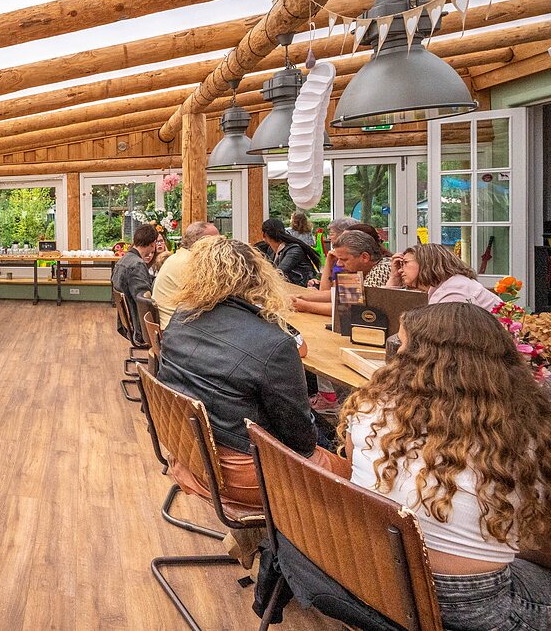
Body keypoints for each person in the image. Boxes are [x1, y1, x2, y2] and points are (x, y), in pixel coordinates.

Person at [340, 304, 551, 629]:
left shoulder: (370, 410)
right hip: (470, 605)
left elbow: (353, 466)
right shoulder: (519, 437)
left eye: (404, 345)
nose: (397, 350)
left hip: (376, 578)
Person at [158, 236, 347, 513]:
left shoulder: (181, 317)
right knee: (362, 477)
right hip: (243, 473)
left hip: (189, 450)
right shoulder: (275, 344)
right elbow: (302, 441)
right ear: (259, 276)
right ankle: (297, 548)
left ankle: (270, 541)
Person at [292, 227, 393, 316]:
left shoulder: (382, 268)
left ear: (364, 257)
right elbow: (339, 294)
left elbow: (351, 309)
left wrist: (305, 305)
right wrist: (302, 297)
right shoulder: (359, 269)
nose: (339, 264)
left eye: (344, 259)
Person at [385, 242, 501, 308]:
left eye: (405, 263)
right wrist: (394, 278)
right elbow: (393, 311)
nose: (400, 270)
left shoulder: (454, 291)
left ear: (426, 263)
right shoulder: (446, 285)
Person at [152, 221, 220, 328]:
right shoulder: (189, 263)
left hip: (173, 325)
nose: (220, 246)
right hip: (178, 330)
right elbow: (209, 299)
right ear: (200, 243)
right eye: (216, 241)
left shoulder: (180, 256)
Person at [111, 223, 159, 343]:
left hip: (126, 324)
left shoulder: (124, 260)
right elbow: (144, 300)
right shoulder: (137, 264)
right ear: (153, 243)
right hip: (139, 328)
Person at [261, 218, 321, 287]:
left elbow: (278, 274)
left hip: (304, 288)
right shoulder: (271, 249)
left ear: (264, 234)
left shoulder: (294, 250)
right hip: (289, 288)